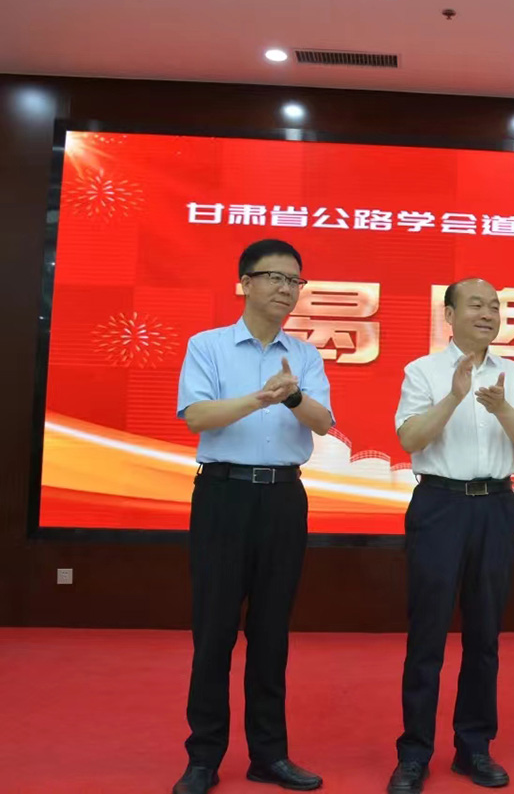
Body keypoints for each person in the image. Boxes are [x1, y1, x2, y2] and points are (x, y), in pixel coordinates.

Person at [172, 239, 333, 794]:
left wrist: (291, 397)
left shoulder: (305, 355)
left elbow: (323, 421)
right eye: (275, 277)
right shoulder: (209, 346)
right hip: (223, 495)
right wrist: (261, 398)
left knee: (271, 632)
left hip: (284, 499)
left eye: (295, 281)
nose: (287, 289)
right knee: (214, 630)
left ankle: (269, 754)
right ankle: (203, 757)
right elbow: (197, 416)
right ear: (245, 282)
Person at [388, 278, 514, 793]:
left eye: (494, 306)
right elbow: (410, 438)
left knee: (484, 634)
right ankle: (414, 753)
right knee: (427, 634)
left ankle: (474, 747)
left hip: (496, 506)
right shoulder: (423, 371)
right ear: (449, 315)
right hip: (440, 506)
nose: (488, 313)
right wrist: (454, 397)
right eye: (476, 304)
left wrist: (501, 408)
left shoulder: (513, 374)